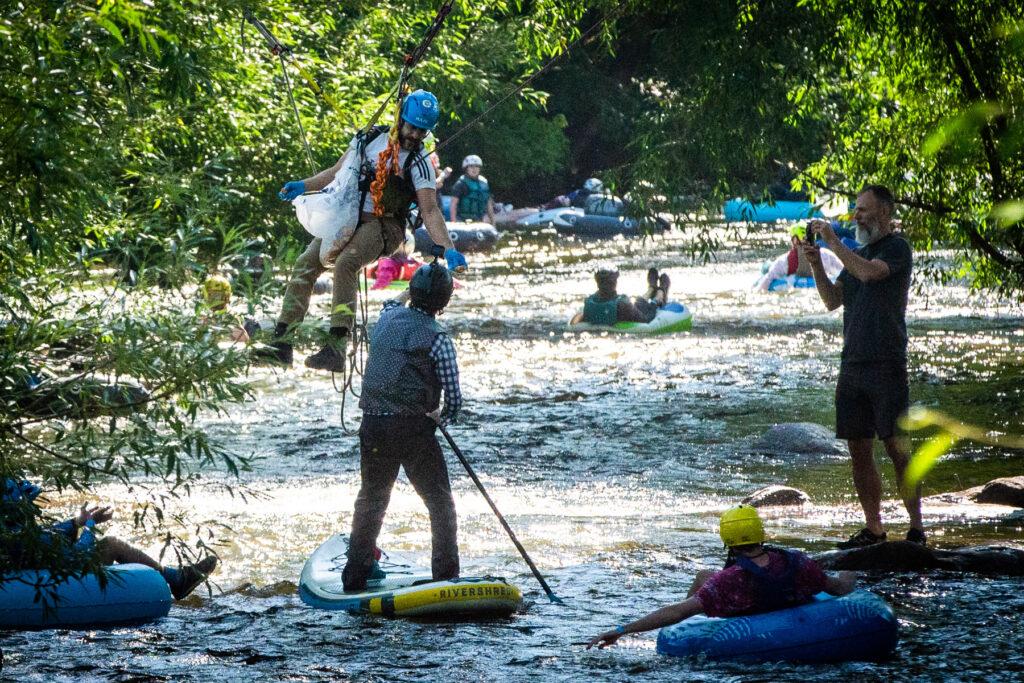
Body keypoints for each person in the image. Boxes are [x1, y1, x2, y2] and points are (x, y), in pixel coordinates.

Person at [258, 90, 466, 372]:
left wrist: (449, 249)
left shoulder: (419, 164)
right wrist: (303, 185)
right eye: (412, 127)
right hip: (349, 216)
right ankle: (281, 344)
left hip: (384, 226)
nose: (415, 135)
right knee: (305, 264)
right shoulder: (368, 140)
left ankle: (336, 349)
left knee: (346, 263)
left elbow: (430, 210)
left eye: (422, 130)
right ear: (400, 118)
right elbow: (335, 172)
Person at [801, 184, 924, 548]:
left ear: (884, 212)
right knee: (858, 449)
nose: (857, 215)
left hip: (886, 362)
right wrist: (816, 264)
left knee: (897, 447)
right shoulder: (858, 254)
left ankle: (917, 527)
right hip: (852, 362)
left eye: (864, 209)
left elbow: (871, 274)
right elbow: (831, 301)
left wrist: (834, 244)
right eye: (856, 209)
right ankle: (874, 529)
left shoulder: (895, 248)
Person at [341, 259, 462, 592]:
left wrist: (415, 287)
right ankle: (446, 576)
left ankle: (356, 573)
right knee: (440, 504)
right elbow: (454, 398)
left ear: (413, 292)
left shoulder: (387, 318)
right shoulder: (439, 338)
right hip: (413, 430)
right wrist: (444, 416)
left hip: (373, 425)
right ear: (445, 301)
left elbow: (392, 302)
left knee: (372, 499)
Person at [587, 505, 857, 649]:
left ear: (727, 541)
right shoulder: (798, 562)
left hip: (752, 626)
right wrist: (852, 567)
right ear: (761, 533)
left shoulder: (729, 581)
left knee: (702, 582)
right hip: (798, 615)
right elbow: (840, 587)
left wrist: (623, 630)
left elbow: (677, 612)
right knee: (704, 574)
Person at [1, 478, 218, 600]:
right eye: (29, 502)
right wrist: (89, 527)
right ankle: (176, 579)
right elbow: (77, 555)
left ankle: (175, 576)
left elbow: (47, 537)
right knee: (111, 544)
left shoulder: (11, 530)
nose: (33, 507)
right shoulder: (21, 535)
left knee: (107, 542)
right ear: (17, 506)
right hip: (69, 571)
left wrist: (76, 522)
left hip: (43, 569)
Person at [755, 223, 844, 291]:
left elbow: (768, 278)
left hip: (792, 283)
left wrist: (757, 292)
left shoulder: (784, 261)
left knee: (767, 269)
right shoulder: (826, 254)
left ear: (794, 240)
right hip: (820, 285)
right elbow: (842, 271)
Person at [575, 268, 670, 326]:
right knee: (640, 304)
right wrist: (654, 303)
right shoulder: (622, 304)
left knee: (638, 303)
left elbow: (577, 320)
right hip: (628, 311)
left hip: (626, 309)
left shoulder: (589, 302)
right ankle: (660, 292)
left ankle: (651, 288)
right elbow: (646, 319)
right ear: (615, 283)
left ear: (597, 283)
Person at [449, 154, 495, 225]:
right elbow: (453, 205)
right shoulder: (460, 184)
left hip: (479, 219)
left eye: (477, 166)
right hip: (461, 219)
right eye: (471, 166)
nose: (474, 169)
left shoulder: (484, 183)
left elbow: (489, 204)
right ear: (466, 168)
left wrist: (493, 223)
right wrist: (454, 223)